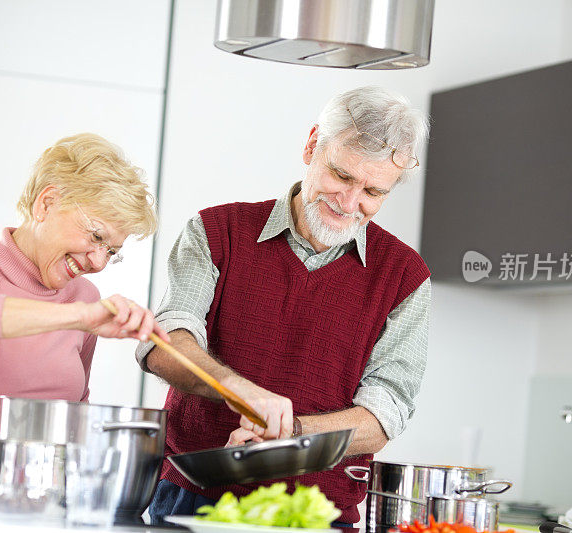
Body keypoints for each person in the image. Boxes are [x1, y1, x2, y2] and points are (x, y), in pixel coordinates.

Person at [136, 86, 431, 525]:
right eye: (342, 176)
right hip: (190, 500)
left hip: (318, 515)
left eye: (373, 191)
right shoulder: (217, 231)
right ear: (312, 145)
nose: (350, 204)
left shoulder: (405, 275)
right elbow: (165, 343)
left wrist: (291, 434)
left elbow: (384, 415)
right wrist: (238, 391)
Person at [0, 133, 169, 448]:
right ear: (46, 204)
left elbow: (77, 419)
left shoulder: (85, 296)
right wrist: (77, 316)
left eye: (112, 252)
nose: (99, 262)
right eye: (96, 237)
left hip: (48, 494)